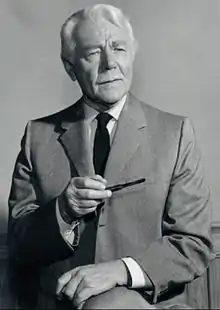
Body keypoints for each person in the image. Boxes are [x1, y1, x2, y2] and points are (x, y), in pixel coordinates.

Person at [5, 4, 214, 310]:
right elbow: (20, 246)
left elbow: (194, 244)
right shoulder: (38, 136)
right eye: (93, 53)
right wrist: (63, 211)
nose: (110, 63)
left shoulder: (176, 133)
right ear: (69, 66)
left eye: (118, 48)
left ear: (132, 53)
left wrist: (120, 271)